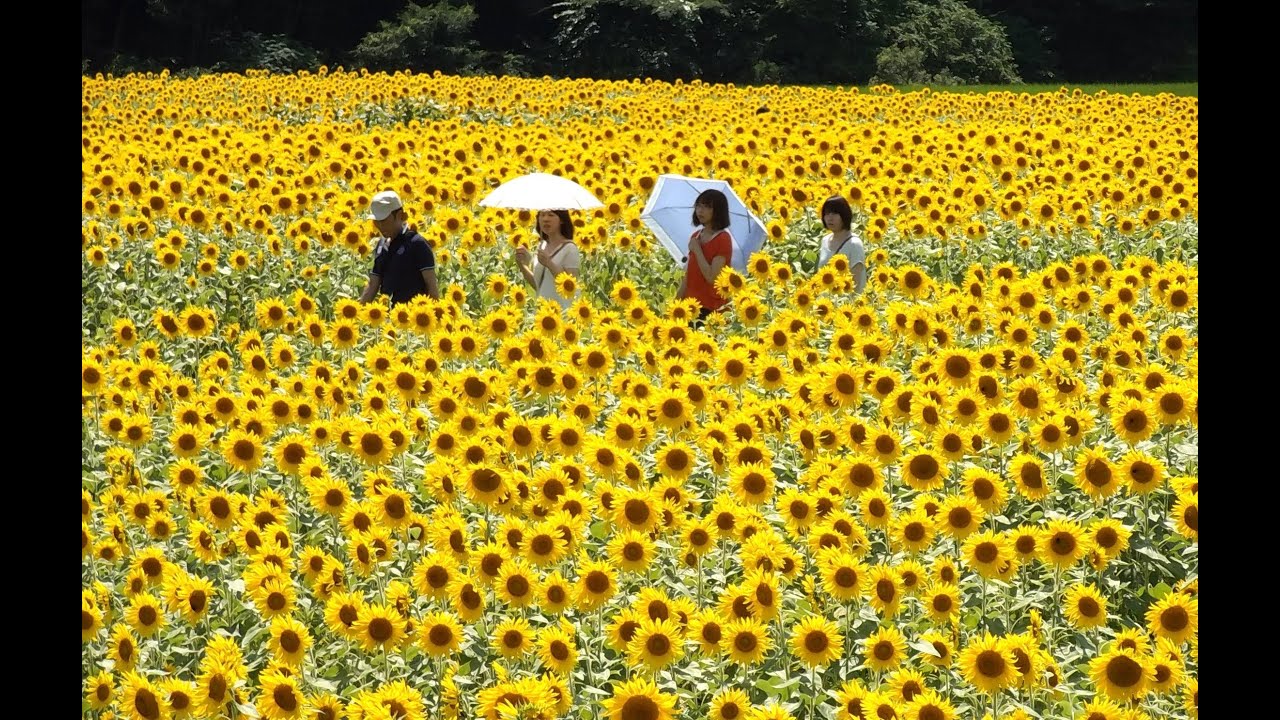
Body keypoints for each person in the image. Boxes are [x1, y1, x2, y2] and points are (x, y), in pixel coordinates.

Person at [359, 190, 439, 304]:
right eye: (377, 222)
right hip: (388, 317)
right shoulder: (382, 245)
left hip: (414, 316)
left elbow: (431, 286)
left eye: (384, 221)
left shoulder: (417, 244)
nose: (380, 226)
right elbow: (373, 285)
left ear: (399, 215)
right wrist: (358, 315)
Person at [676, 189, 733, 324]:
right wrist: (676, 303)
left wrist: (697, 250)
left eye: (707, 207)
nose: (700, 210)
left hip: (711, 308)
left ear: (718, 211)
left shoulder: (723, 239)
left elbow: (711, 277)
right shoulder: (696, 236)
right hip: (690, 305)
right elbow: (689, 275)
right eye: (699, 205)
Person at [514, 209, 580, 309]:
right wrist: (522, 265)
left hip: (562, 313)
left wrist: (549, 263)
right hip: (543, 315)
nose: (545, 219)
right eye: (542, 215)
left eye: (551, 215)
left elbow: (571, 286)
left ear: (561, 220)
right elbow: (538, 284)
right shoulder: (543, 245)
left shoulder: (569, 248)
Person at [817, 195, 866, 294]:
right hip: (825, 303)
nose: (829, 218)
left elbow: (855, 284)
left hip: (846, 305)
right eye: (826, 213)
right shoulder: (825, 241)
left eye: (834, 213)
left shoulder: (854, 244)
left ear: (844, 215)